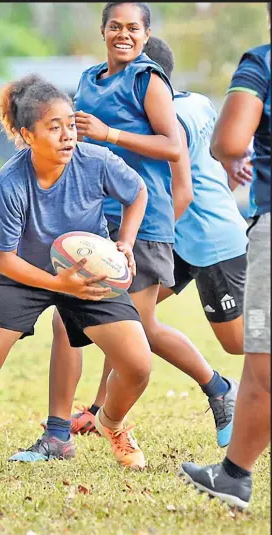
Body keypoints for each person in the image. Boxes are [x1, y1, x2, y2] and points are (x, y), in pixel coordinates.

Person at [17, 2, 238, 462]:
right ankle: (59, 434)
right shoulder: (91, 79)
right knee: (66, 321)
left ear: (145, 33)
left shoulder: (148, 79)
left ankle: (199, 395)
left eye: (133, 28)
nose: (123, 34)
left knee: (137, 330)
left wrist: (109, 133)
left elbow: (173, 146)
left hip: (144, 223)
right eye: (115, 26)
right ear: (102, 30)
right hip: (97, 221)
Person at [0, 73, 154, 473]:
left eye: (71, 124)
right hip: (23, 271)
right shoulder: (10, 181)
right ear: (27, 134)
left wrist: (124, 242)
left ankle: (112, 423)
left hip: (87, 270)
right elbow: (2, 257)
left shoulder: (96, 160)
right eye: (55, 128)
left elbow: (137, 192)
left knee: (138, 365)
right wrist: (56, 284)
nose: (68, 135)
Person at [179, 5, 270, 509]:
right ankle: (234, 474)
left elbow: (230, 140)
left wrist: (234, 153)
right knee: (258, 365)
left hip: (262, 228)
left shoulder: (261, 64)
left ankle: (234, 472)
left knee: (261, 361)